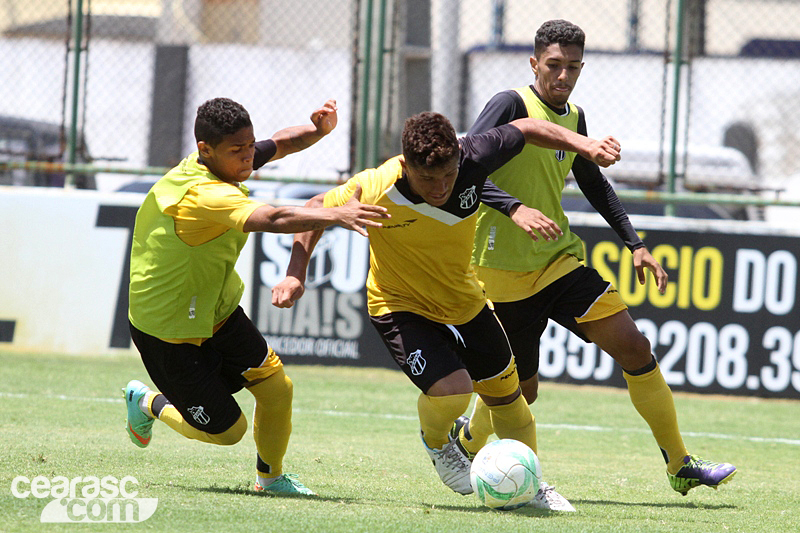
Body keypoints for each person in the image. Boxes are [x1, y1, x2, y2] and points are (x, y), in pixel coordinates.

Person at [272, 111, 618, 510]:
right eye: (428, 179)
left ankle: (532, 485)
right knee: (454, 391)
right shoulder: (377, 184)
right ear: (406, 165)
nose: (440, 188)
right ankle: (438, 444)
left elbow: (526, 129)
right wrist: (296, 273)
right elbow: (316, 207)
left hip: (464, 300)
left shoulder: (472, 156)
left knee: (510, 398)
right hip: (399, 304)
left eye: (448, 176)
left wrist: (584, 145)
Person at [458, 19, 737, 497]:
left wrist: (637, 244)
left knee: (635, 347)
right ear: (534, 64)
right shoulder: (510, 104)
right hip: (500, 273)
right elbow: (462, 169)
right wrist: (514, 208)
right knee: (521, 393)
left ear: (582, 67)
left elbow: (593, 184)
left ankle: (679, 463)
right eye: (553, 65)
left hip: (558, 262)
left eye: (572, 67)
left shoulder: (575, 116)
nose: (563, 76)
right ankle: (466, 439)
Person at [123, 97, 389, 496]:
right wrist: (336, 215)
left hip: (218, 313)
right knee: (228, 431)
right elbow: (272, 218)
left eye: (249, 146)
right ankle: (148, 402)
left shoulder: (227, 159)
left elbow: (279, 143)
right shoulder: (201, 195)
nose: (248, 157)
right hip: (167, 330)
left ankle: (271, 478)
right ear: (204, 150)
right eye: (238, 151)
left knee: (277, 388)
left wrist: (317, 131)